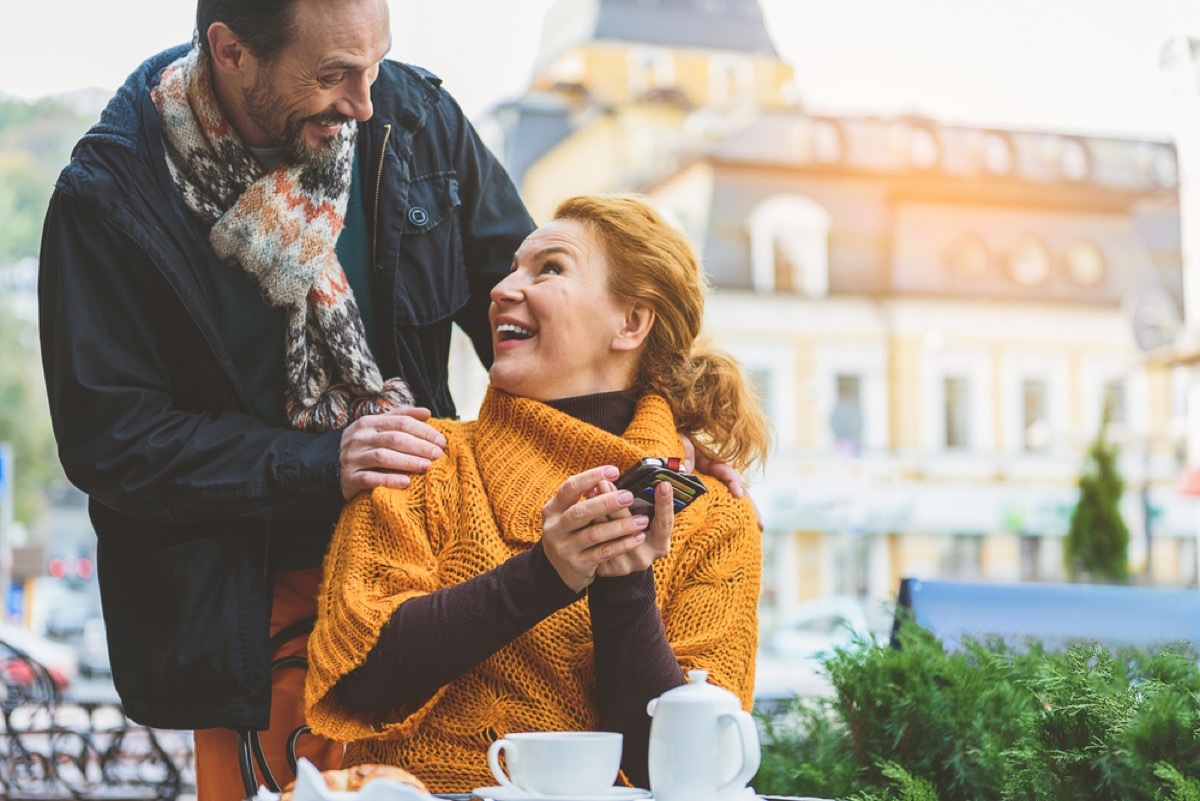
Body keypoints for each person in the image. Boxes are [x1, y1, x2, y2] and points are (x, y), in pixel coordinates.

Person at [37, 0, 534, 799]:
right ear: (230, 51)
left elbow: (529, 307)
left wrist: (668, 411)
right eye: (334, 74)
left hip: (440, 585)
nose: (366, 103)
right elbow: (112, 438)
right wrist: (321, 462)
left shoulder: (415, 117)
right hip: (257, 622)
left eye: (375, 65)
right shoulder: (108, 196)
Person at [305, 194, 770, 791]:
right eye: (511, 268)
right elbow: (360, 678)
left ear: (631, 323)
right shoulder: (420, 458)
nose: (500, 289)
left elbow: (696, 774)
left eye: (549, 268)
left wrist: (624, 588)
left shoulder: (716, 518)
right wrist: (545, 575)